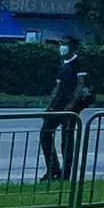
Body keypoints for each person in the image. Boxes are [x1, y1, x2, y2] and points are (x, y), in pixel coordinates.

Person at [39, 39, 89, 182]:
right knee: (45, 133)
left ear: (73, 46)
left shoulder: (79, 63)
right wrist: (49, 106)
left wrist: (72, 104)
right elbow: (58, 86)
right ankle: (52, 168)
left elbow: (80, 84)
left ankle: (65, 174)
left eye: (65, 44)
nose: (62, 47)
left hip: (70, 107)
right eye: (61, 44)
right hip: (58, 105)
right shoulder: (61, 64)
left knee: (66, 140)